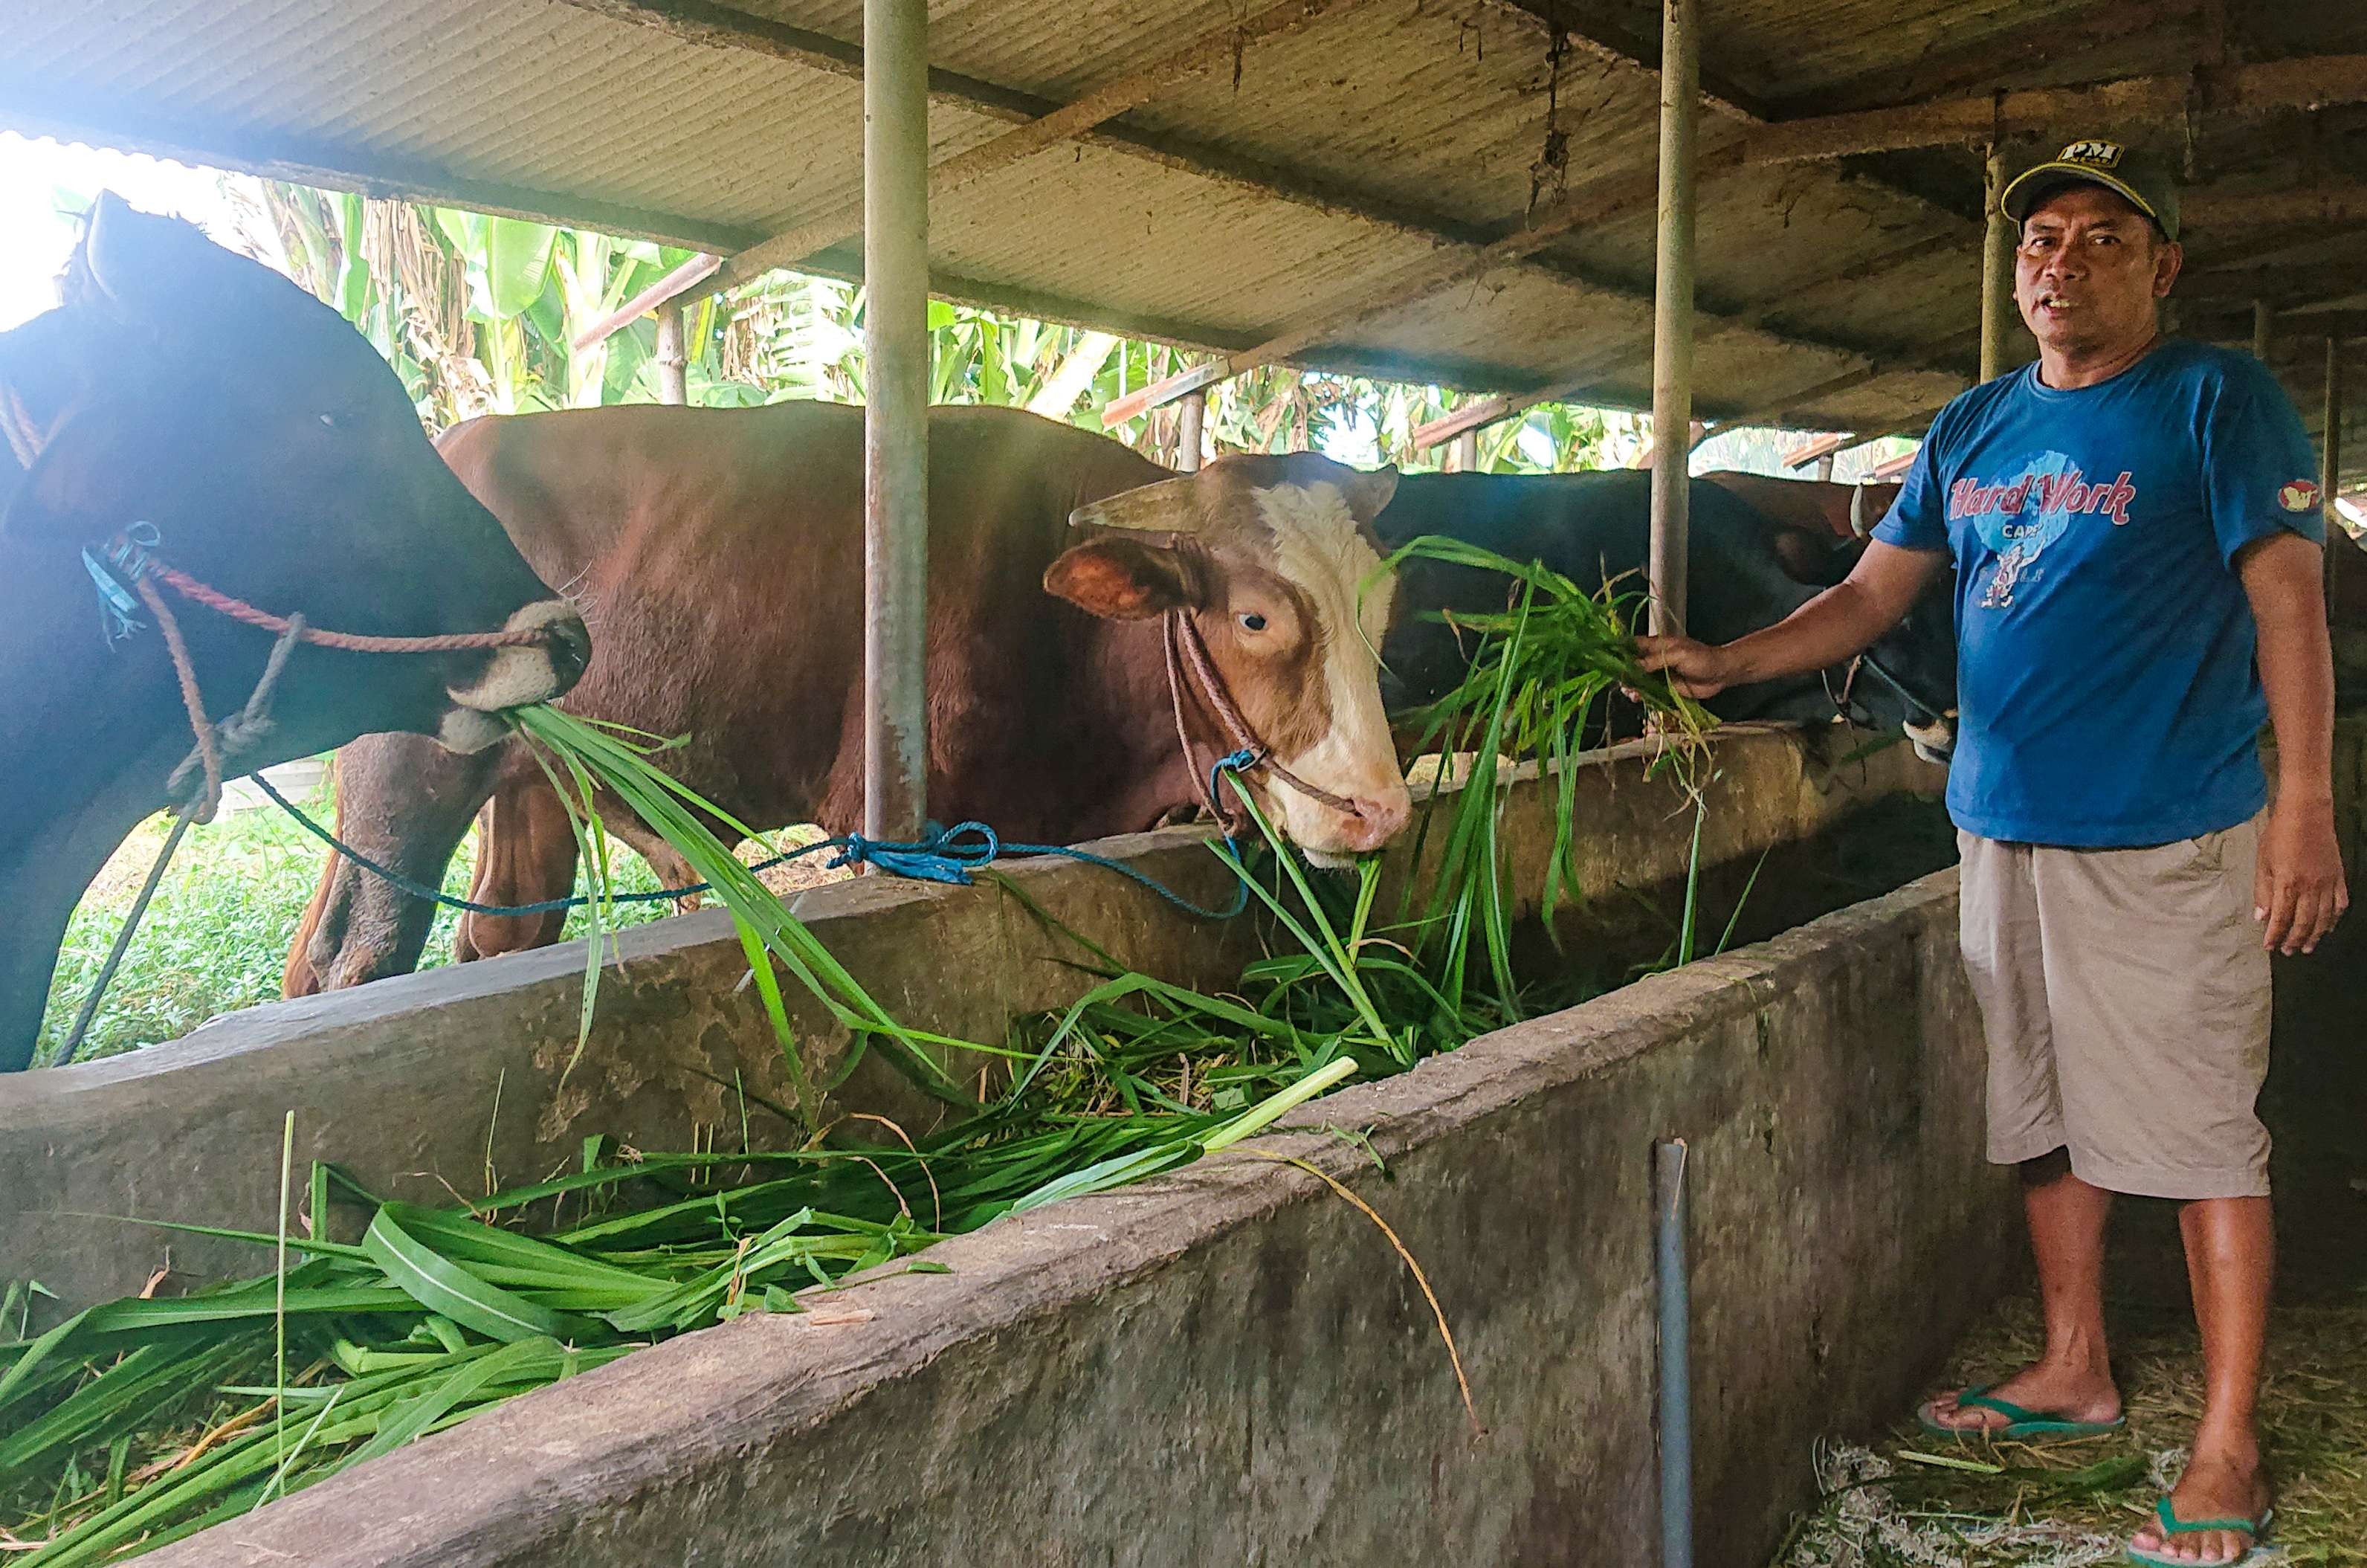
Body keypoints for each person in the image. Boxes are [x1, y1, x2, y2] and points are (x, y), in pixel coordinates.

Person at [1638, 138, 2346, 1567]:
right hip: (1999, 827)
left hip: (2166, 830)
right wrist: (1730, 658)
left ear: (2163, 266)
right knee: (2041, 1109)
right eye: (2039, 241)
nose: (2060, 261)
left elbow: (2289, 611)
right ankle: (2075, 1368)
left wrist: (2306, 807)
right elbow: (1863, 597)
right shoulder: (1971, 426)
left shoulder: (2217, 400)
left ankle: (2228, 1438)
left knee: (2207, 1127)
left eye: (2097, 237)